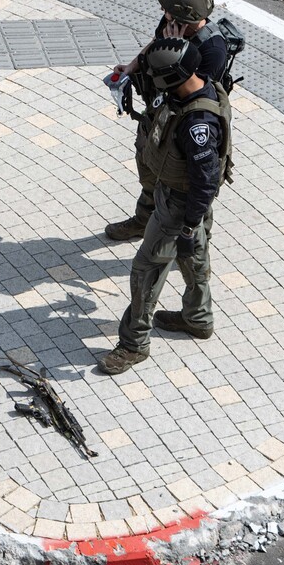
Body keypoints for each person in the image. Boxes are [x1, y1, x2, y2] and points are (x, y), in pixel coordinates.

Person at [98, 37, 233, 375]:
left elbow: (204, 180)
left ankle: (133, 343)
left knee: (147, 270)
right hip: (186, 201)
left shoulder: (197, 123)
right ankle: (197, 318)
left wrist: (186, 224)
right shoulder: (203, 83)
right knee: (194, 255)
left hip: (181, 204)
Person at [104, 0, 228, 243]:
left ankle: (192, 242)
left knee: (184, 184)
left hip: (184, 124)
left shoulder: (212, 51)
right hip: (158, 113)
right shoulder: (172, 21)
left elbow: (197, 93)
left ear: (186, 15)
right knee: (148, 166)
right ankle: (143, 220)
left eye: (168, 10)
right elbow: (154, 44)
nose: (163, 13)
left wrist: (177, 49)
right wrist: (133, 66)